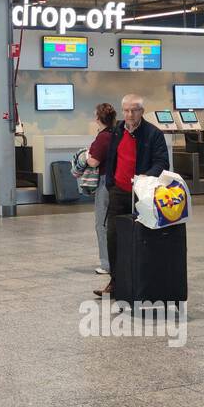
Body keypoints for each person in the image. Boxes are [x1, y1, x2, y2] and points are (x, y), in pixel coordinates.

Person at [94, 94, 170, 297]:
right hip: (118, 192)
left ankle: (144, 282)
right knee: (114, 238)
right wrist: (110, 183)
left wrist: (147, 176)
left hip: (143, 194)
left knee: (144, 239)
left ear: (142, 112)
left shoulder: (153, 134)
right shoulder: (117, 131)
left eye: (134, 110)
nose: (129, 114)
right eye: (126, 110)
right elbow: (112, 158)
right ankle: (116, 282)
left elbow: (162, 162)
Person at [84, 102, 116, 276]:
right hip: (118, 181)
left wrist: (86, 157)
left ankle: (106, 263)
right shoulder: (117, 133)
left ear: (98, 118)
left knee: (101, 223)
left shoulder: (102, 137)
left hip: (104, 182)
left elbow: (94, 161)